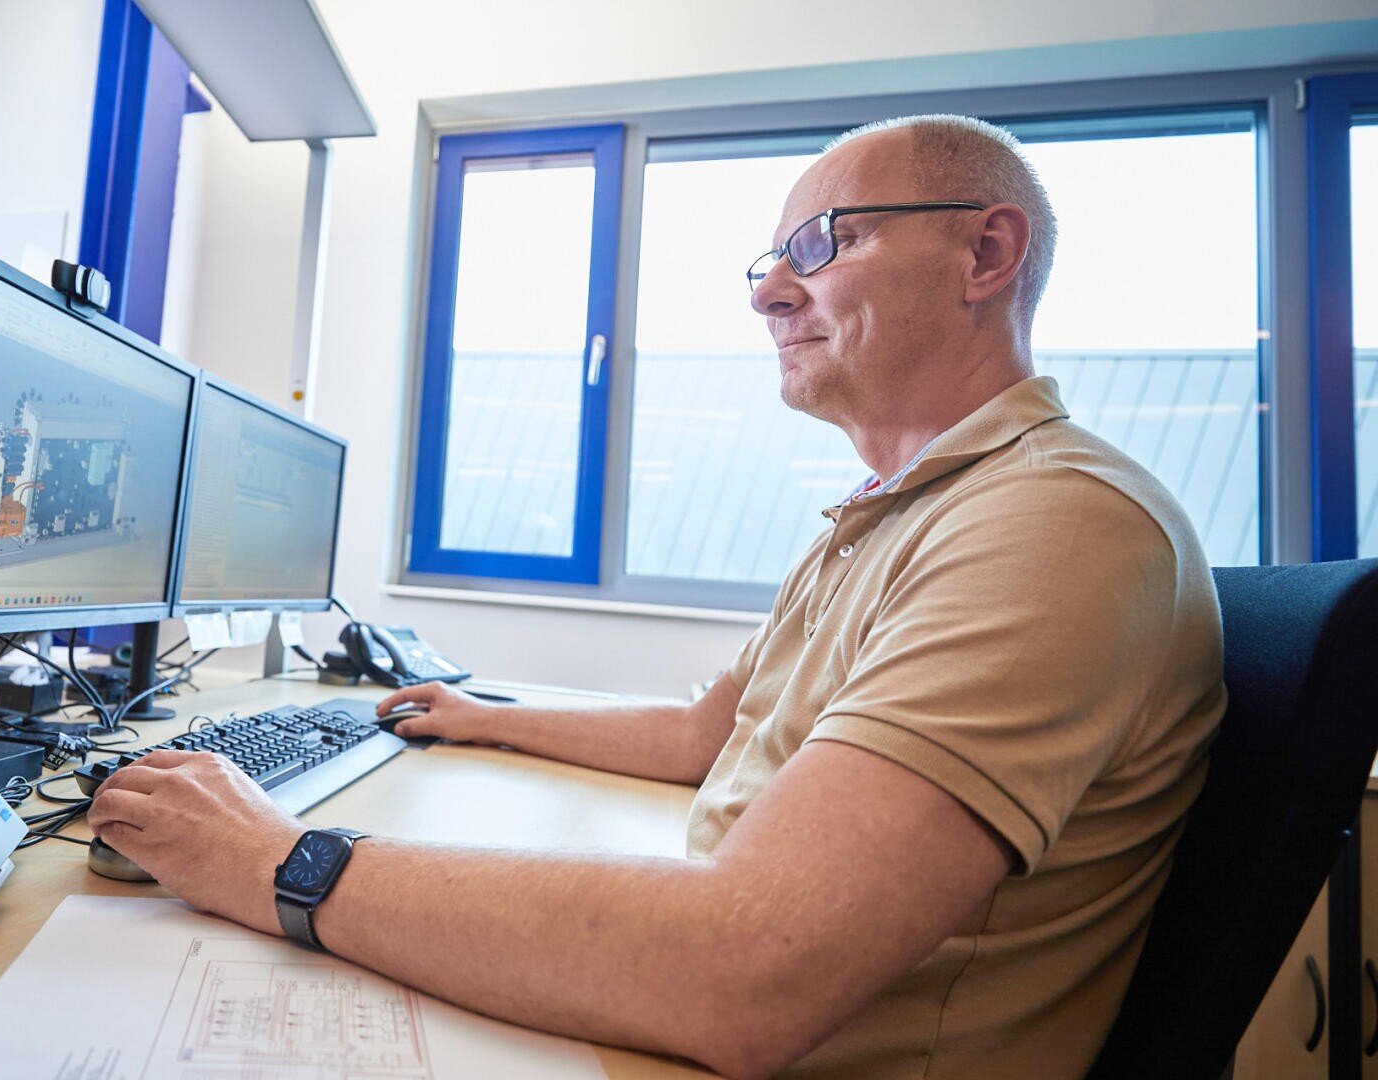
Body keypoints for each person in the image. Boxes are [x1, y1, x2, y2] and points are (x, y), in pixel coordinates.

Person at [85, 114, 1226, 1079]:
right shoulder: (895, 509)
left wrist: (282, 861)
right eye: (767, 261)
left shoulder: (1052, 524)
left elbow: (750, 963)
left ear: (986, 257)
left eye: (822, 243)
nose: (771, 293)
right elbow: (705, 735)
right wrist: (481, 717)